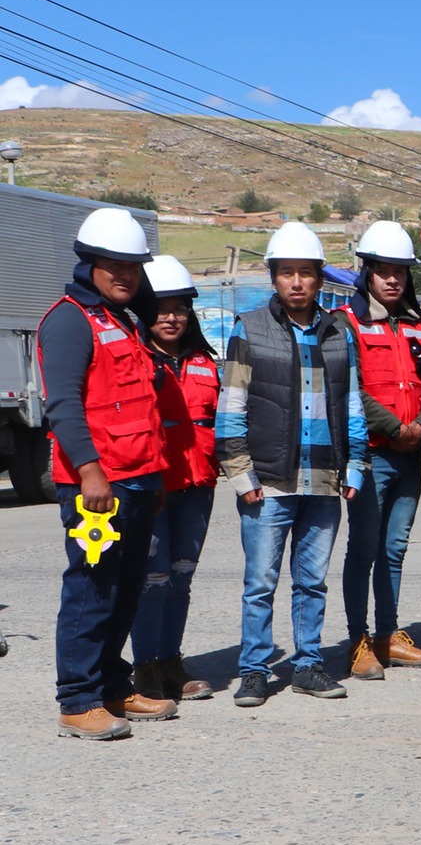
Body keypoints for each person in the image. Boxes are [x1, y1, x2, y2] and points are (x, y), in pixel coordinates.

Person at [216, 222, 367, 708]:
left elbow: (355, 404)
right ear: (274, 279)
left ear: (320, 278)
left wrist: (357, 467)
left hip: (325, 481)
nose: (297, 282)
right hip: (268, 484)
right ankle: (255, 669)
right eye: (287, 273)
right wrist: (241, 474)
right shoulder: (249, 328)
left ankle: (307, 665)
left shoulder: (341, 330)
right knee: (260, 583)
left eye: (306, 273)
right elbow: (232, 404)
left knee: (312, 582)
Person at [38, 207, 171, 739]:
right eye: (113, 264)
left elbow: (139, 407)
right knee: (91, 590)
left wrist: (154, 477)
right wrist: (91, 473)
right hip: (96, 486)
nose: (124, 274)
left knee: (126, 590)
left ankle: (113, 687)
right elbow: (64, 406)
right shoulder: (69, 319)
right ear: (89, 263)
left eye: (133, 266)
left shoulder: (124, 320)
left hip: (139, 479)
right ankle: (77, 699)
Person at [338, 221, 421, 680]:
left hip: (410, 454)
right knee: (364, 549)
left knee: (394, 549)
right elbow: (350, 389)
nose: (393, 278)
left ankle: (388, 634)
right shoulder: (347, 322)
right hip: (372, 453)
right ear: (367, 271)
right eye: (383, 269)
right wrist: (397, 427)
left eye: (400, 270)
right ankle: (359, 639)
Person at [130, 255, 219, 704]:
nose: (171, 317)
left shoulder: (206, 362)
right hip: (152, 490)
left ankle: (170, 661)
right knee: (153, 579)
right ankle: (144, 667)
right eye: (162, 308)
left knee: (181, 580)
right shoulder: (136, 360)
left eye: (180, 307)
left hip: (198, 489)